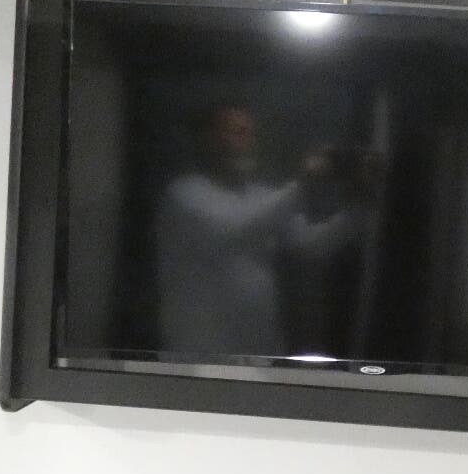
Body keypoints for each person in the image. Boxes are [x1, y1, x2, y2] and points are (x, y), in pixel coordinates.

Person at [154, 106, 364, 358]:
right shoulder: (185, 193)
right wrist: (303, 184)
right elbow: (233, 231)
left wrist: (360, 204)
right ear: (208, 140)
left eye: (251, 133)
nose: (248, 142)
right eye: (237, 132)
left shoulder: (262, 195)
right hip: (200, 348)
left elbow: (312, 245)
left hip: (258, 346)